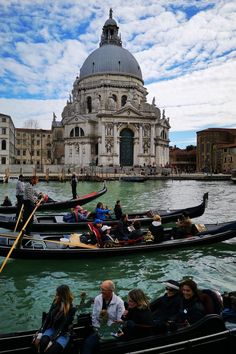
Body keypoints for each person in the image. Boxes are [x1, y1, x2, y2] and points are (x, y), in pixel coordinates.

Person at [81, 280, 125, 354]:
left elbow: (118, 321)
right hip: (99, 329)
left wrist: (108, 331)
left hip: (112, 331)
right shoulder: (98, 299)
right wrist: (98, 329)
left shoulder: (119, 302)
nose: (101, 291)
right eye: (101, 289)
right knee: (88, 343)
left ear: (111, 291)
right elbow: (94, 317)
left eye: (103, 290)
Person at [33, 284, 76, 354]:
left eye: (57, 294)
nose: (56, 296)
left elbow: (62, 326)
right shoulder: (56, 301)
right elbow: (48, 318)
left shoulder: (72, 308)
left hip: (64, 333)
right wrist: (41, 332)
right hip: (53, 328)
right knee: (43, 342)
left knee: (52, 350)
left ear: (63, 296)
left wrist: (52, 341)